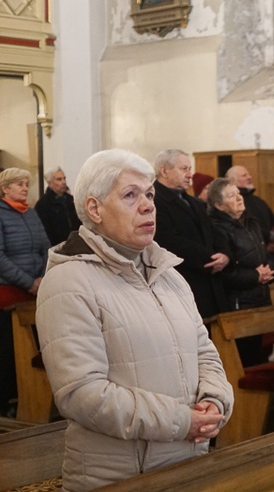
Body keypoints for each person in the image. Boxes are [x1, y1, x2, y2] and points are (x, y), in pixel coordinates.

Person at [35, 149, 234, 490]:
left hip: (188, 461)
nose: (147, 205)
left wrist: (214, 403)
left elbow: (204, 352)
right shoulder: (69, 281)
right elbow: (82, 394)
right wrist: (181, 421)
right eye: (130, 195)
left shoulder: (169, 273)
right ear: (94, 209)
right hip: (119, 476)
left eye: (150, 194)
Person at [153, 149, 230, 318]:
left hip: (210, 280)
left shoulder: (193, 202)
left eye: (190, 168)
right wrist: (210, 258)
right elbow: (169, 241)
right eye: (184, 169)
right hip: (185, 280)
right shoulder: (154, 202)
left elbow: (214, 231)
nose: (190, 175)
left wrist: (224, 254)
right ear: (164, 171)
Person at [207, 177, 274, 366]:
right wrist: (256, 276)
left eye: (238, 193)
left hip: (259, 297)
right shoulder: (217, 229)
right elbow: (223, 274)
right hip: (237, 304)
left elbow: (261, 254)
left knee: (260, 359)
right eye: (231, 195)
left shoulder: (250, 222)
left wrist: (268, 272)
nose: (239, 198)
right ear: (219, 206)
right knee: (244, 361)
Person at [0, 168, 50, 417]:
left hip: (35, 288)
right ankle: (9, 399)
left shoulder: (30, 213)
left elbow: (45, 246)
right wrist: (29, 282)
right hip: (9, 291)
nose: (24, 188)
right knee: (9, 349)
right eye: (19, 184)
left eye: (26, 183)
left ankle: (35, 398)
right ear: (5, 188)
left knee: (38, 346)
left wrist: (41, 277)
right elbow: (0, 257)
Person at [226, 165, 274, 268]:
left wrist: (272, 243)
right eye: (244, 175)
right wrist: (266, 237)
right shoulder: (233, 202)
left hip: (267, 257)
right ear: (233, 181)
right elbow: (243, 228)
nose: (249, 177)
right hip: (247, 260)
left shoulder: (258, 201)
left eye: (249, 174)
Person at [34, 166, 82, 246]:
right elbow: (45, 232)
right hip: (56, 247)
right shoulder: (43, 204)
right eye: (59, 179)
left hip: (75, 245)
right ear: (49, 182)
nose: (63, 182)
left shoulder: (71, 200)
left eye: (64, 178)